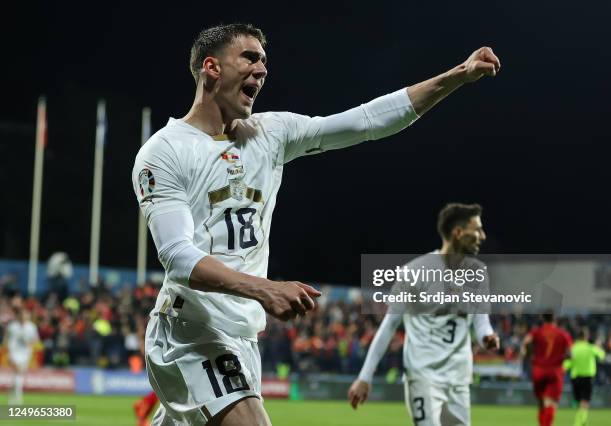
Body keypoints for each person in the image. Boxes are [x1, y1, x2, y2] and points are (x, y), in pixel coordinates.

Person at [131, 23, 501, 426]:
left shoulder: (270, 135)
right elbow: (178, 256)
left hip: (241, 336)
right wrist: (265, 289)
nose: (262, 70)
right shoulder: (165, 151)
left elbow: (366, 122)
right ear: (211, 67)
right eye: (250, 58)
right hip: (190, 329)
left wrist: (457, 76)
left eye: (265, 61)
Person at [347, 203, 499, 426]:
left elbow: (481, 321)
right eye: (477, 230)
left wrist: (488, 336)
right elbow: (389, 325)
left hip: (459, 377)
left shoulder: (477, 273)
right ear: (458, 233)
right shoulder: (414, 272)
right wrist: (365, 376)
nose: (482, 236)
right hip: (423, 375)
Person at [521, 312, 573, 426]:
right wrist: (561, 357)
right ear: (555, 319)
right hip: (555, 371)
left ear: (542, 318)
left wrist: (529, 356)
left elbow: (525, 344)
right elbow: (570, 354)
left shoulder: (536, 332)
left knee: (541, 402)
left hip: (538, 370)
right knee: (551, 402)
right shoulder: (563, 334)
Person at [563, 328, 605, 426]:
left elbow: (567, 363)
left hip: (575, 378)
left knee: (578, 401)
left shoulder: (573, 348)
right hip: (587, 377)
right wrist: (598, 346)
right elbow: (602, 355)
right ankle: (579, 422)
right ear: (586, 337)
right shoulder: (590, 347)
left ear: (578, 337)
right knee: (585, 401)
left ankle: (581, 421)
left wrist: (563, 369)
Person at [3, 307, 39, 405]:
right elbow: (6, 338)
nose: (24, 316)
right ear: (19, 316)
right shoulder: (12, 326)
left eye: (26, 314)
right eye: (22, 314)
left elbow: (35, 340)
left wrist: (29, 343)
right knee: (18, 372)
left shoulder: (32, 327)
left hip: (26, 354)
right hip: (13, 353)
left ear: (28, 316)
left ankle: (11, 394)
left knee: (18, 375)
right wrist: (7, 352)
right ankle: (18, 398)